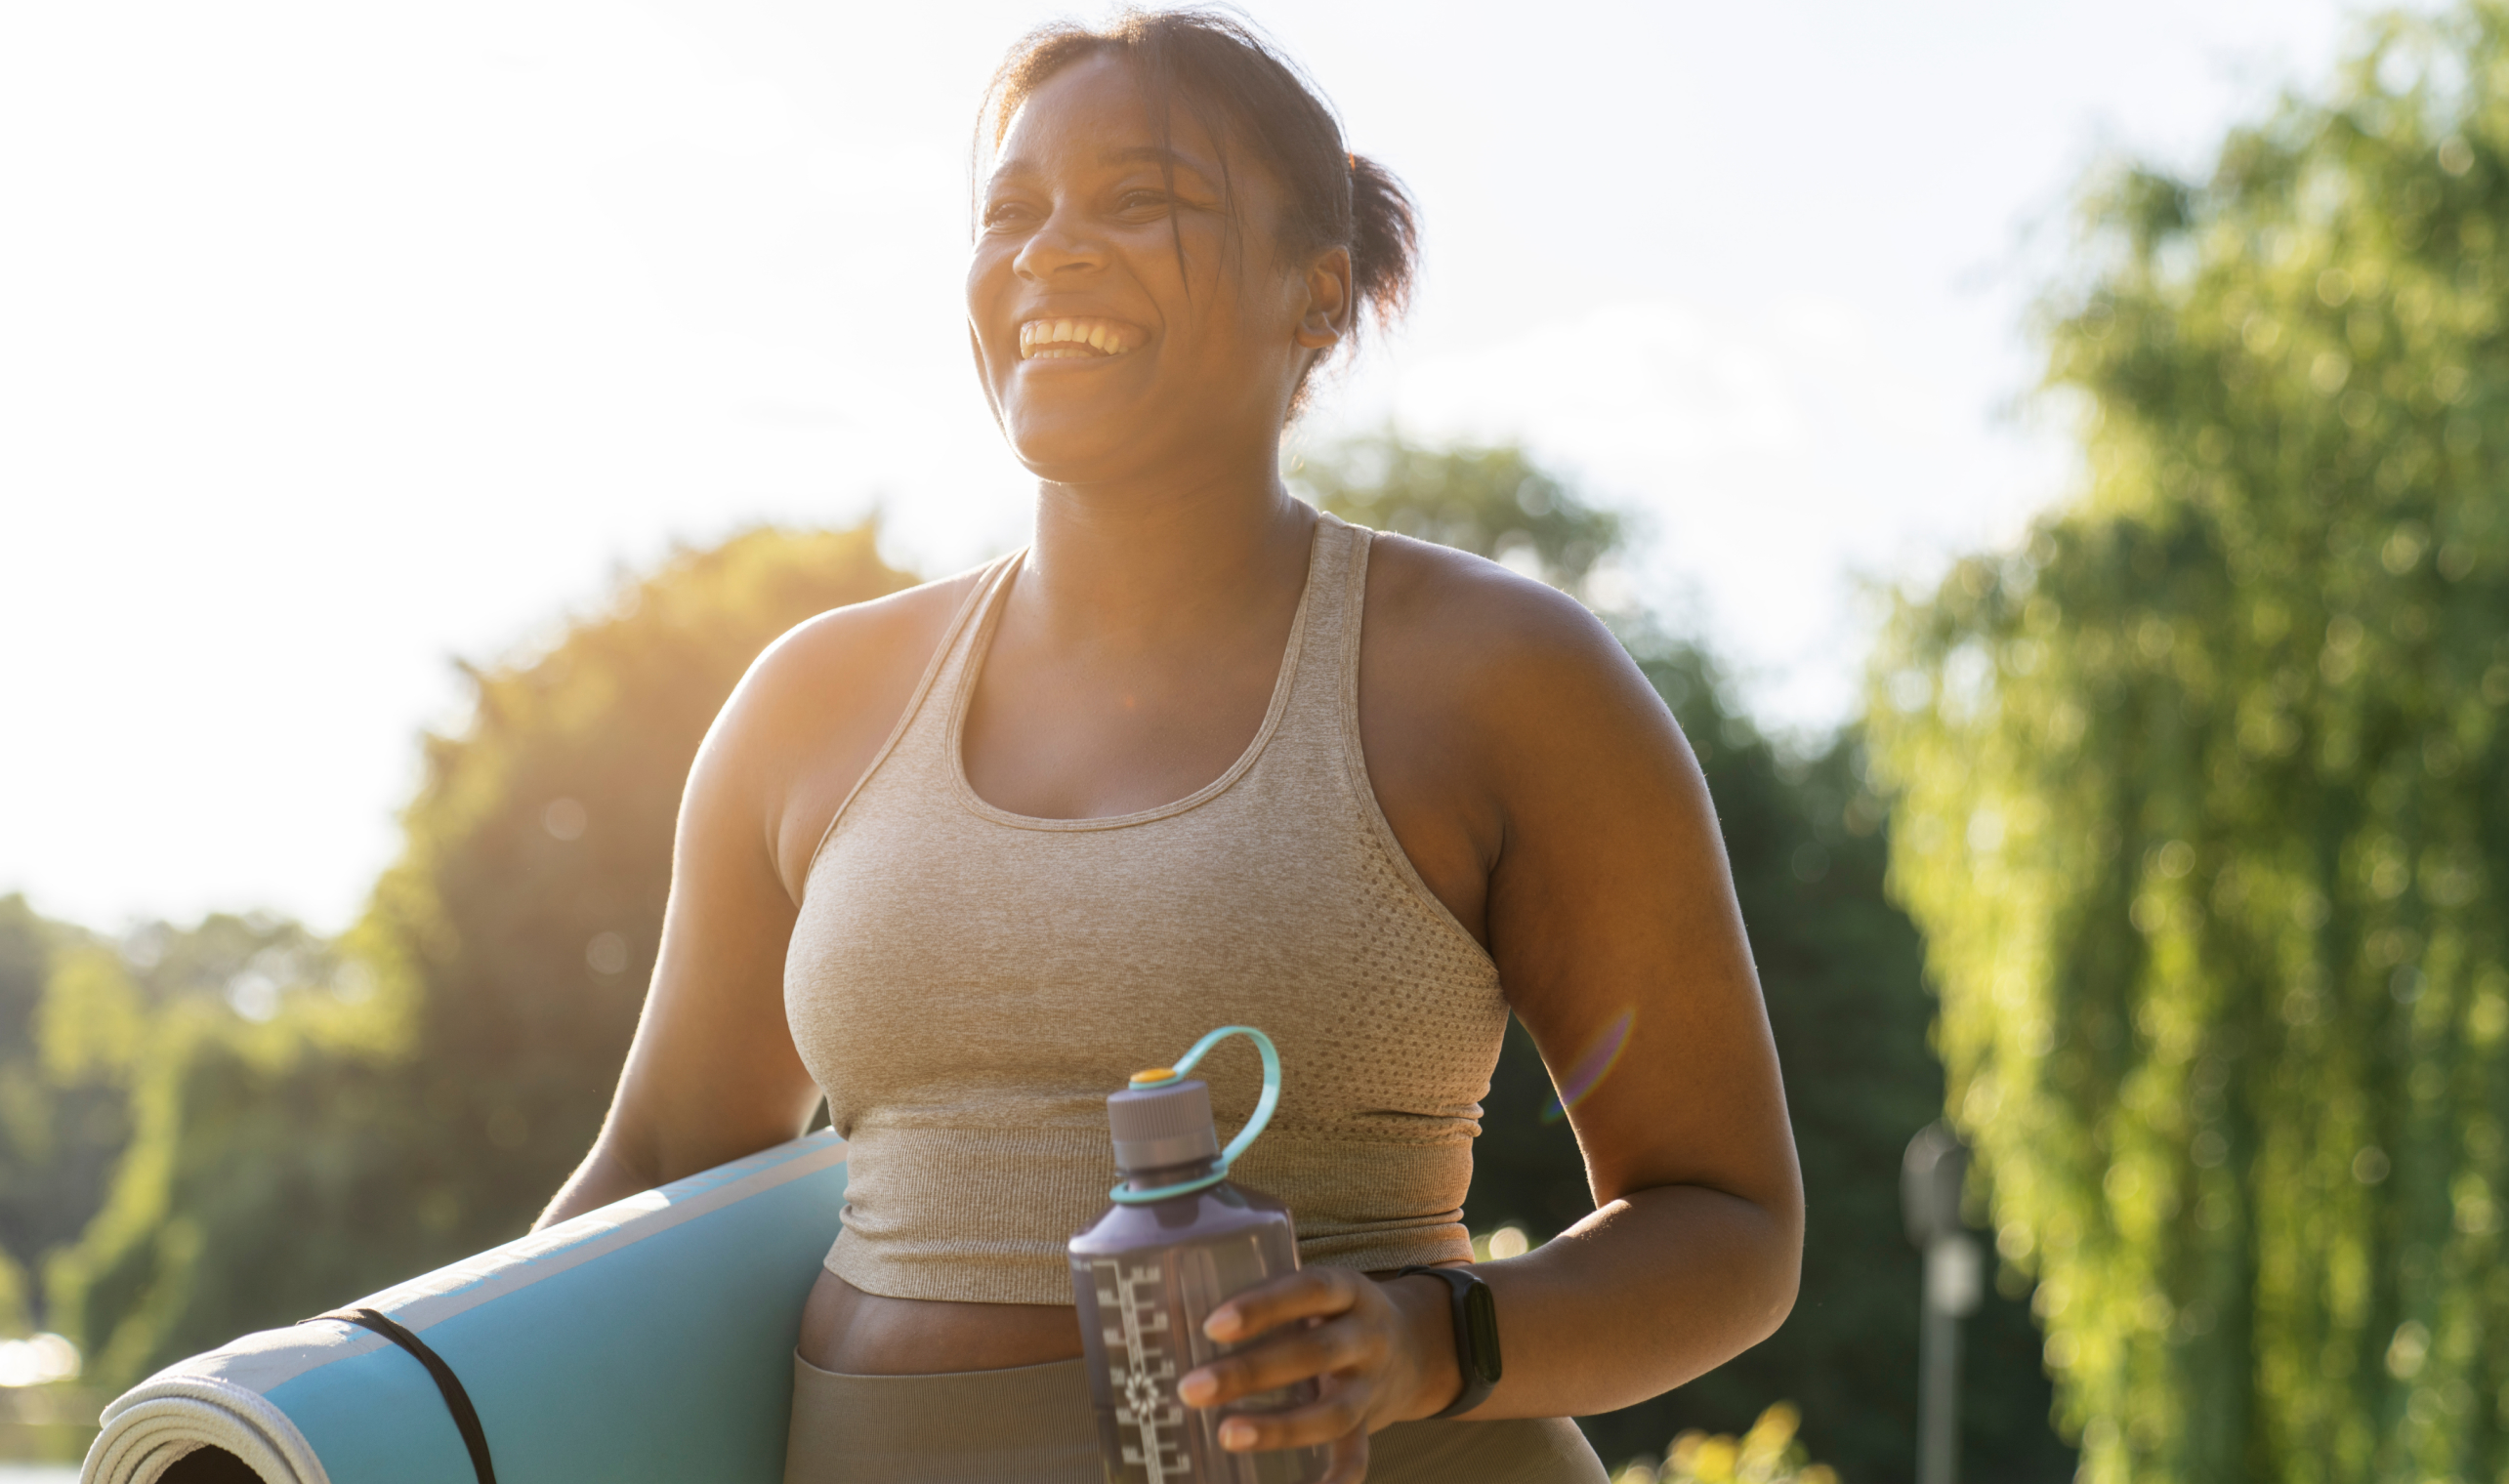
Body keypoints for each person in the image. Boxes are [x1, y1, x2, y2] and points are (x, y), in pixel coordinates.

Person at [534, 11, 1802, 1482]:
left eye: (1139, 199)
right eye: (1010, 210)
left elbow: (1726, 1222)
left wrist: (1423, 1343)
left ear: (1315, 297)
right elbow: (657, 1167)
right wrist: (394, 1405)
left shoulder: (1504, 680)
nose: (1049, 248)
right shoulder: (807, 703)